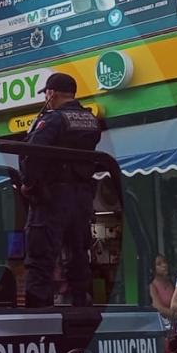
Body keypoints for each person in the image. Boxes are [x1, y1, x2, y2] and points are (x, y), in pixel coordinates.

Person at [20, 73, 102, 307]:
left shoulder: (53, 120)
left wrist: (28, 184)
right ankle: (81, 308)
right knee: (78, 256)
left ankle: (39, 314)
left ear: (51, 93)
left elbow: (32, 154)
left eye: (46, 94)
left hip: (52, 198)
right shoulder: (90, 120)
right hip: (82, 199)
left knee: (40, 260)